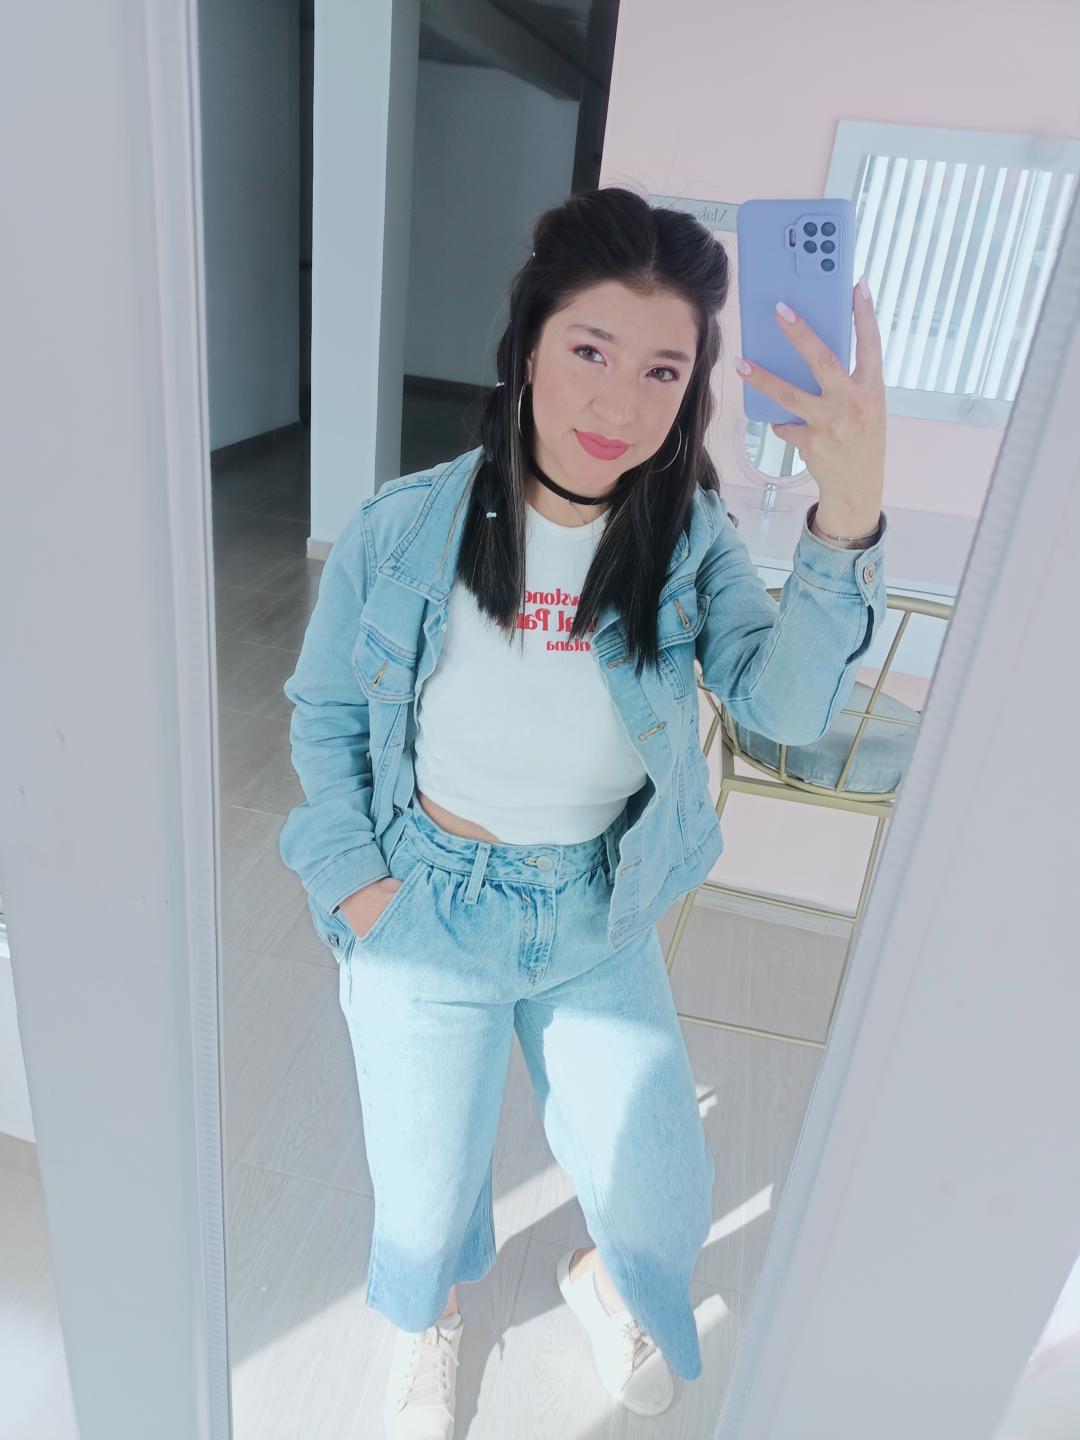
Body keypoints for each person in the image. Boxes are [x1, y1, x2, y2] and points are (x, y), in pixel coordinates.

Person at [279, 185, 887, 1438]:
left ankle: (605, 1278)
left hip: (594, 911)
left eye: (663, 371)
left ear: (695, 388)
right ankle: (430, 1318)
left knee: (661, 1186)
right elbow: (325, 712)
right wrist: (356, 887)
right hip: (425, 901)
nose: (620, 405)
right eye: (591, 351)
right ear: (529, 344)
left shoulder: (690, 539)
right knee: (424, 1192)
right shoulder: (404, 529)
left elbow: (782, 708)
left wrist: (847, 518)